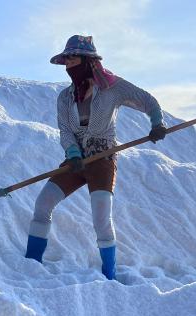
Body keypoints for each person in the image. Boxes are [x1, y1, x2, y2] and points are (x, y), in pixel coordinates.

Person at [25, 35, 167, 279]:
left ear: (88, 61)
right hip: (76, 161)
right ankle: (31, 264)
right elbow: (66, 130)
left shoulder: (113, 88)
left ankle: (109, 275)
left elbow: (148, 101)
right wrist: (72, 154)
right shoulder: (65, 97)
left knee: (101, 218)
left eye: (72, 58)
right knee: (43, 203)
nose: (68, 65)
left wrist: (157, 123)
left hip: (103, 160)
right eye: (66, 60)